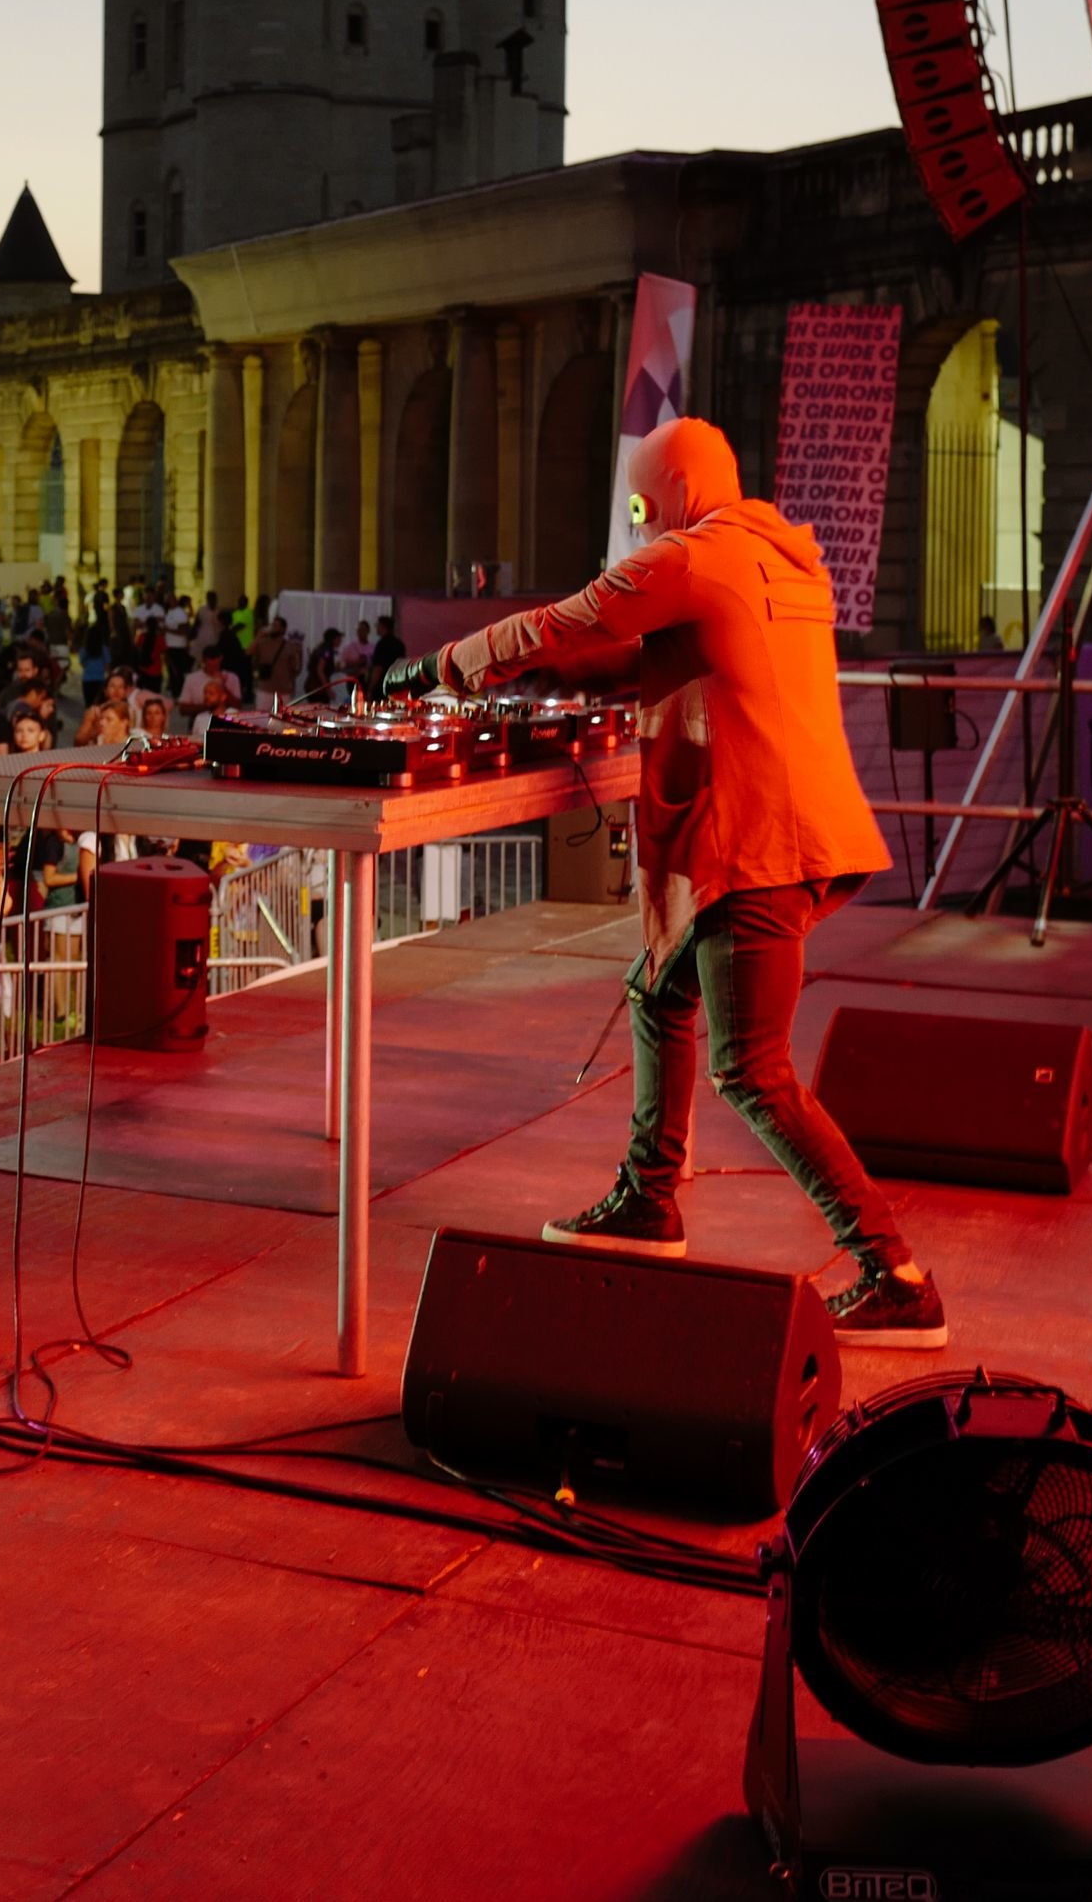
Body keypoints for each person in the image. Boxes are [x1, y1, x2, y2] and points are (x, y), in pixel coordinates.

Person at [387, 415, 941, 1347]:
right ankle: (649, 1199)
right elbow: (647, 645)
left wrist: (448, 666)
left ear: (670, 490)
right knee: (657, 989)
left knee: (755, 1073)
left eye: (642, 502)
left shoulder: (690, 555)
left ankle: (895, 1272)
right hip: (791, 831)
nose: (639, 523)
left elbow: (570, 619)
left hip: (753, 842)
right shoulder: (775, 555)